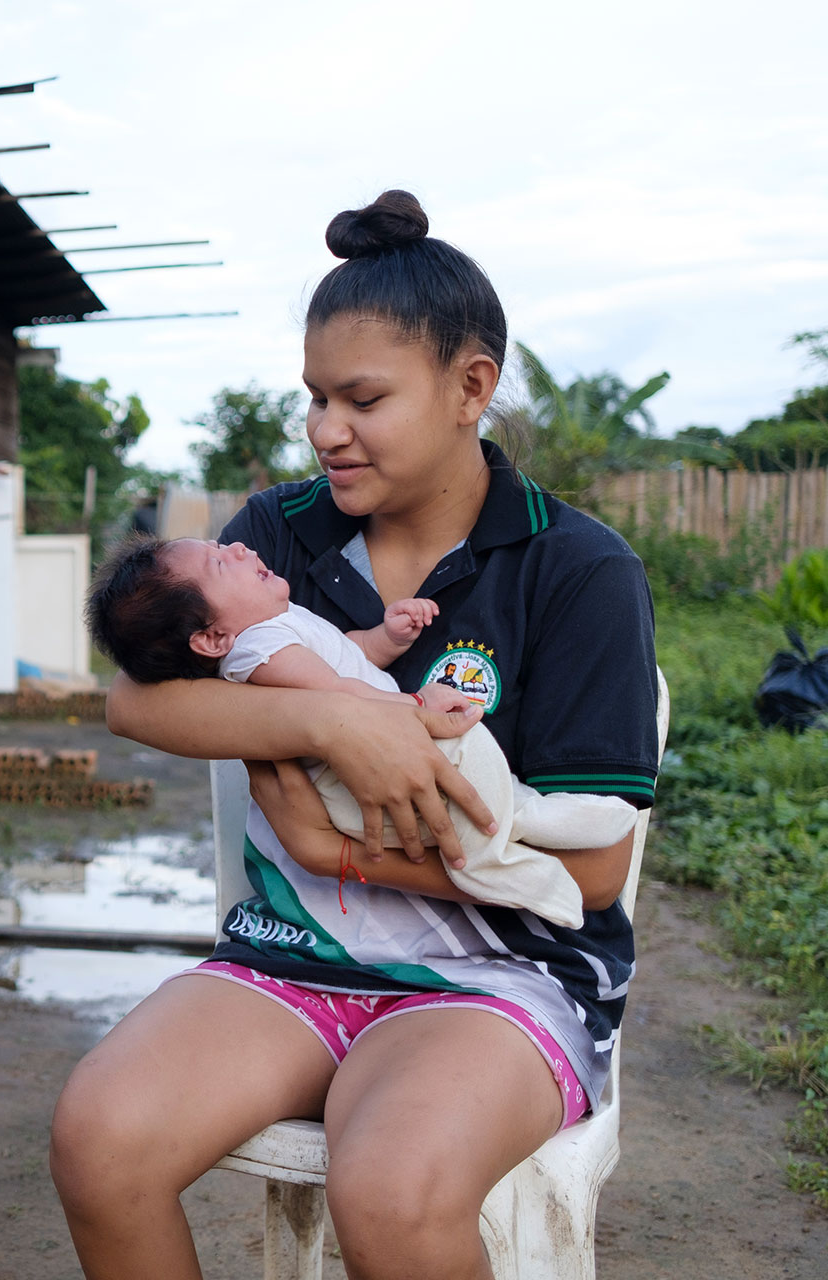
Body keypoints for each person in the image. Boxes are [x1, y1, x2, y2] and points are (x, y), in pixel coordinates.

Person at [48, 190, 659, 1280]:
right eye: (316, 397)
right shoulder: (279, 532)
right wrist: (338, 714)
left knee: (393, 1188)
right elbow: (140, 700)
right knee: (102, 1139)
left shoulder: (577, 569)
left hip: (503, 978)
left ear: (472, 386)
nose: (327, 427)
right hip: (292, 958)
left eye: (363, 398)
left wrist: (347, 853)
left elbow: (598, 868)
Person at [81, 534, 640, 928]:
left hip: (373, 773)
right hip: (358, 790)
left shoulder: (271, 624)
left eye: (223, 545)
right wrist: (416, 702)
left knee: (476, 785)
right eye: (221, 563)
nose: (239, 546)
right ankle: (504, 866)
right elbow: (338, 695)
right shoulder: (258, 647)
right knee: (462, 784)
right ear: (208, 639)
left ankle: (527, 819)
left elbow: (343, 657)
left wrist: (383, 638)